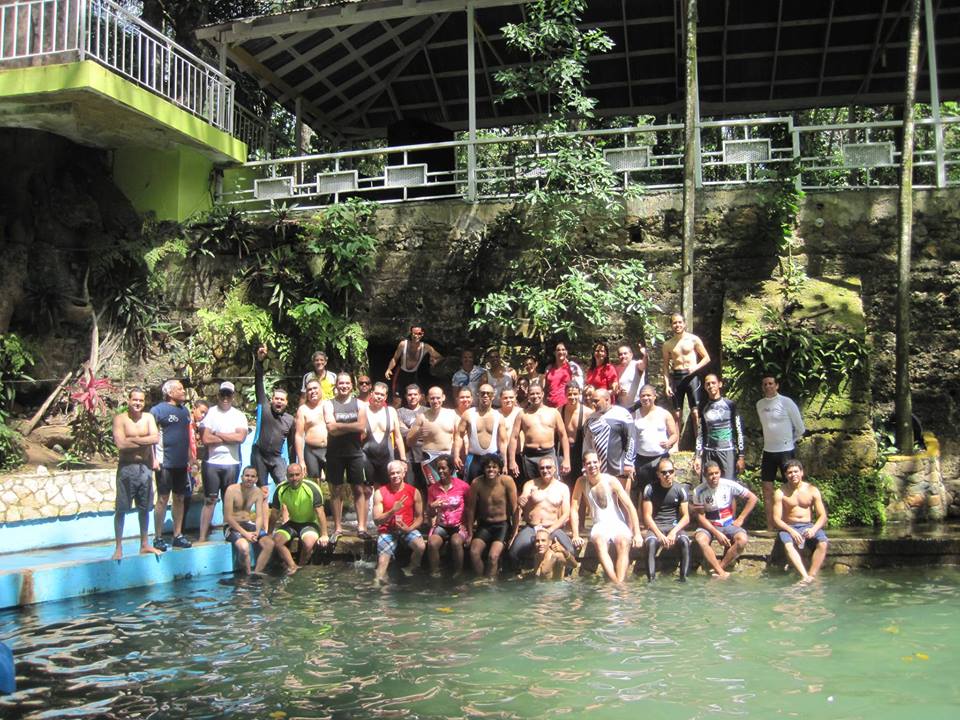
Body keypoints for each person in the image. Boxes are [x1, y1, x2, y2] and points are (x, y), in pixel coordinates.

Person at [571, 452, 644, 584]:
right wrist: (575, 535)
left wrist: (637, 533)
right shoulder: (581, 482)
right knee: (599, 541)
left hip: (617, 522)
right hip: (599, 524)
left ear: (599, 463)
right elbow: (574, 508)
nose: (592, 465)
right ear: (584, 466)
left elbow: (630, 507)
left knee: (623, 542)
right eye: (588, 463)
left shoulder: (611, 480)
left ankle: (620, 583)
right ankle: (616, 581)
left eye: (595, 462)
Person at [112, 388, 161, 559]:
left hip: (145, 468)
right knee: (121, 509)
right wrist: (143, 442)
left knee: (145, 508)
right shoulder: (120, 419)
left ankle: (144, 544)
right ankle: (118, 547)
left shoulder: (148, 418)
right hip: (127, 467)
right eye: (135, 400)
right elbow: (121, 445)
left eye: (141, 400)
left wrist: (132, 439)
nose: (138, 403)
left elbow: (155, 439)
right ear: (128, 400)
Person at [198, 382, 248, 543]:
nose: (225, 398)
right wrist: (229, 437)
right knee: (210, 500)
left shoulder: (239, 415)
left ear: (233, 396)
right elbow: (206, 439)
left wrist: (217, 434)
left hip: (231, 463)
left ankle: (231, 532)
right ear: (218, 395)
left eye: (228, 395)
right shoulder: (211, 413)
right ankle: (202, 537)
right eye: (222, 395)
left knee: (229, 500)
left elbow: (240, 438)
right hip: (212, 463)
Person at [691, 461, 758, 578]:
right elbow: (700, 517)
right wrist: (716, 533)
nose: (714, 477)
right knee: (701, 539)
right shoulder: (699, 491)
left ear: (720, 473)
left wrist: (741, 518)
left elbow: (752, 498)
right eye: (710, 474)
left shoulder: (729, 484)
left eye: (716, 473)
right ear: (705, 475)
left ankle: (719, 569)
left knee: (742, 539)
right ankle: (721, 573)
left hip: (728, 523)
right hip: (710, 524)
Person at [508, 456, 576, 570]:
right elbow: (524, 496)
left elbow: (565, 514)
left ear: (555, 469)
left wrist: (549, 530)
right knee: (513, 552)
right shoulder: (531, 484)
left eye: (548, 467)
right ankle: (517, 577)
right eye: (542, 468)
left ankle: (565, 578)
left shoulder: (563, 488)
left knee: (570, 551)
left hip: (553, 527)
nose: (545, 470)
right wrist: (522, 499)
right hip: (532, 527)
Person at [323, 372, 368, 540]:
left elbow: (361, 426)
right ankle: (338, 527)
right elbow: (331, 430)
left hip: (354, 452)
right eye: (341, 383)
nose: (344, 386)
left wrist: (339, 425)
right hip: (334, 453)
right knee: (336, 489)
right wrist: (351, 426)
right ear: (336, 385)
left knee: (358, 489)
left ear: (352, 385)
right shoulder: (329, 404)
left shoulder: (361, 404)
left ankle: (362, 527)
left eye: (347, 383)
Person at [757, 375, 806, 530]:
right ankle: (770, 525)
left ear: (776, 385)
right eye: (765, 384)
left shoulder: (786, 402)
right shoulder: (759, 404)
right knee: (767, 488)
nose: (768, 386)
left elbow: (800, 428)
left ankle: (789, 523)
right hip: (768, 451)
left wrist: (790, 442)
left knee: (790, 486)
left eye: (771, 383)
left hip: (785, 451)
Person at [150, 379, 194, 551]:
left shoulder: (185, 411)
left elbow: (187, 436)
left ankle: (178, 535)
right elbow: (152, 437)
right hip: (164, 463)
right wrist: (153, 459)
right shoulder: (158, 410)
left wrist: (191, 457)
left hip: (181, 463)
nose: (183, 391)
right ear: (169, 392)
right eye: (180, 389)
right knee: (162, 499)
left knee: (180, 498)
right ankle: (158, 537)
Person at [361, 382, 406, 536]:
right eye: (376, 393)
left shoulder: (391, 411)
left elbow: (398, 437)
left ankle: (388, 524)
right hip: (367, 454)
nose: (379, 397)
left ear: (385, 397)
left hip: (386, 455)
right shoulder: (363, 409)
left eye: (382, 394)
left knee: (388, 489)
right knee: (367, 491)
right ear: (371, 393)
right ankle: (363, 527)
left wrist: (403, 459)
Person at [773, 459, 828, 583]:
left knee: (823, 542)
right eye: (790, 472)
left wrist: (814, 529)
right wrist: (791, 531)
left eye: (796, 471)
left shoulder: (812, 490)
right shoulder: (780, 492)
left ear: (802, 472)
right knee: (788, 545)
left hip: (808, 525)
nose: (793, 475)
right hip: (789, 527)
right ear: (786, 475)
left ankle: (812, 574)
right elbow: (776, 519)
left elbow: (822, 516)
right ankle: (804, 576)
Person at [373, 460, 427, 584]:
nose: (395, 476)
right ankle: (378, 584)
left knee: (421, 546)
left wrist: (409, 528)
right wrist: (392, 511)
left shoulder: (414, 492)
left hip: (407, 529)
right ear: (388, 475)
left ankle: (410, 568)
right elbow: (376, 521)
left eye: (398, 472)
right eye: (392, 473)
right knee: (382, 563)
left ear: (403, 474)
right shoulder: (380, 492)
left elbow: (420, 518)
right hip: (387, 531)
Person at [270, 463, 329, 575]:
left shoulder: (312, 488)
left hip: (310, 523)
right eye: (291, 475)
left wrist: (324, 534)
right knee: (276, 541)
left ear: (303, 475)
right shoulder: (281, 489)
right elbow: (274, 514)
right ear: (287, 476)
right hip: (292, 523)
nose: (294, 478)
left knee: (308, 543)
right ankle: (293, 566)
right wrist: (268, 533)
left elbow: (320, 513)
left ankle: (301, 565)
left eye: (297, 475)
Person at [465, 454, 518, 577]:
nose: (491, 470)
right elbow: (471, 509)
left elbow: (515, 509)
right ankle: (481, 578)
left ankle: (490, 582)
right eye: (488, 467)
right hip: (484, 525)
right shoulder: (477, 483)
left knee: (493, 556)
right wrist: (470, 533)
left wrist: (514, 533)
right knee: (474, 552)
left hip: (502, 525)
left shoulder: (507, 481)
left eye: (494, 467)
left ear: (499, 469)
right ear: (483, 468)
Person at [252, 345, 295, 494]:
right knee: (262, 491)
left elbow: (292, 445)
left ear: (286, 402)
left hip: (276, 458)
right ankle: (262, 518)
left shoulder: (290, 420)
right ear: (271, 400)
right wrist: (259, 362)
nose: (279, 402)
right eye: (276, 398)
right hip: (260, 454)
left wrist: (294, 463)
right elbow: (258, 383)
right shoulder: (264, 407)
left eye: (282, 400)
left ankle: (286, 518)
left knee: (285, 488)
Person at [507, 384, 571, 483]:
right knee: (532, 486)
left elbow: (563, 436)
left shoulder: (553, 413)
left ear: (542, 394)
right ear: (528, 396)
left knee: (552, 485)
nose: (535, 396)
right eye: (532, 394)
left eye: (538, 393)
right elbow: (514, 437)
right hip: (530, 456)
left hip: (548, 453)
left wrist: (566, 459)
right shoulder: (522, 414)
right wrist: (512, 461)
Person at [641, 457, 691, 582]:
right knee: (651, 543)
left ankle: (683, 579)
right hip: (656, 526)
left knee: (685, 541)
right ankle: (651, 581)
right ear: (658, 474)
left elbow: (686, 517)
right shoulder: (650, 489)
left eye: (671, 471)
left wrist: (673, 532)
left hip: (673, 526)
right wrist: (659, 534)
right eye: (664, 472)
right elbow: (647, 516)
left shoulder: (680, 489)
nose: (668, 475)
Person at [661, 312, 711, 434]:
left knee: (695, 412)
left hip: (692, 376)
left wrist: (696, 367)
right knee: (677, 413)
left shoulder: (693, 339)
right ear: (671, 325)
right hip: (677, 377)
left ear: (684, 324)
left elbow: (706, 357)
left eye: (679, 322)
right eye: (674, 323)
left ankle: (698, 445)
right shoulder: (667, 344)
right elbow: (666, 367)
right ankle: (675, 445)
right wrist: (667, 385)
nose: (677, 325)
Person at [222, 466, 275, 574]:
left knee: (269, 543)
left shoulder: (257, 492)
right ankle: (247, 575)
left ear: (256, 479)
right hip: (231, 526)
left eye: (252, 476)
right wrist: (246, 534)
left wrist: (256, 531)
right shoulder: (231, 490)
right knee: (244, 547)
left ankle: (256, 573)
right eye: (247, 476)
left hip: (248, 523)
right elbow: (228, 517)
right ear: (242, 477)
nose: (249, 479)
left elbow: (259, 516)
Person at [582, 388, 636, 493]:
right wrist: (585, 465)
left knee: (622, 501)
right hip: (597, 468)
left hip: (619, 468)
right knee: (601, 499)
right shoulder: (590, 419)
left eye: (596, 401)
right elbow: (587, 444)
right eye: (592, 401)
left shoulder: (622, 415)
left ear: (607, 400)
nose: (593, 404)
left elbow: (631, 439)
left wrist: (629, 462)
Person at [426, 455, 472, 576]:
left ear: (451, 469)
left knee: (456, 542)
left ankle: (458, 572)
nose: (440, 471)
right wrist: (432, 506)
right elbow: (430, 514)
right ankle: (434, 572)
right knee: (432, 543)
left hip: (458, 526)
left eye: (443, 468)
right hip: (441, 526)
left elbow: (470, 508)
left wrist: (468, 527)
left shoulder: (463, 486)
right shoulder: (432, 489)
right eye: (438, 468)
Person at [631, 384, 679, 501]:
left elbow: (674, 434)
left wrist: (669, 443)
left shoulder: (664, 414)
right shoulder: (634, 415)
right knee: (644, 492)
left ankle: (662, 515)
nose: (646, 398)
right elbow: (630, 439)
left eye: (648, 395)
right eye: (643, 396)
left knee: (662, 488)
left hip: (661, 458)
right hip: (641, 460)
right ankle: (642, 517)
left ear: (654, 396)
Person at [694, 374, 745, 480]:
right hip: (709, 451)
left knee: (729, 486)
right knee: (708, 485)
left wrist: (741, 456)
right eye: (708, 384)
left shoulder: (730, 405)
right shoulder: (703, 406)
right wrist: (698, 456)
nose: (711, 386)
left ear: (719, 384)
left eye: (713, 383)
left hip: (727, 451)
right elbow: (700, 433)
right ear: (704, 387)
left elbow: (739, 430)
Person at [453, 383, 507, 483]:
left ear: (493, 396)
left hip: (493, 459)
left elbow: (503, 442)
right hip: (474, 459)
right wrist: (456, 455)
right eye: (482, 393)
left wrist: (505, 464)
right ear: (478, 395)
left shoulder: (498, 416)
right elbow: (459, 436)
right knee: (471, 488)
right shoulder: (469, 414)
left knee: (493, 491)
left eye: (488, 394)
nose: (485, 396)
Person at [406, 386, 458, 485]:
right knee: (435, 488)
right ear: (427, 399)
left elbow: (459, 437)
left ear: (443, 397)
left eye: (438, 398)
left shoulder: (452, 414)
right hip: (430, 458)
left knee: (452, 486)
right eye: (432, 398)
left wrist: (457, 455)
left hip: (447, 456)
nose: (435, 401)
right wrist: (418, 433)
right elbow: (409, 442)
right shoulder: (422, 417)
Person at [385, 325, 442, 404]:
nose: (416, 336)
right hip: (400, 375)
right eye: (414, 333)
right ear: (411, 333)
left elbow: (439, 357)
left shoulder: (426, 347)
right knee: (397, 401)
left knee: (422, 399)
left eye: (419, 334)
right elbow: (395, 358)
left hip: (413, 376)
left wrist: (433, 362)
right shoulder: (403, 344)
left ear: (422, 334)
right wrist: (389, 369)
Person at [295, 378, 328, 505]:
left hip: (329, 449)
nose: (312, 391)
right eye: (309, 389)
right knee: (314, 484)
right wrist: (301, 460)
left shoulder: (328, 405)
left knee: (335, 485)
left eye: (315, 388)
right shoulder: (303, 409)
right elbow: (298, 435)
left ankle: (337, 520)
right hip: (311, 450)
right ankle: (316, 513)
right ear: (306, 393)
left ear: (321, 390)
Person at [560, 382, 592, 489]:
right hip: (563, 451)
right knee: (564, 483)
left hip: (580, 450)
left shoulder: (588, 412)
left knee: (581, 483)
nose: (572, 397)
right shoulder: (559, 411)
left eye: (575, 394)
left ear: (579, 394)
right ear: (565, 394)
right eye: (569, 394)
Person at [397, 384, 426, 489]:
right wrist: (419, 430)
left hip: (425, 456)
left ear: (420, 396)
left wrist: (409, 430)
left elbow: (428, 432)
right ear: (405, 396)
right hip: (408, 456)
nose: (412, 397)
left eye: (415, 394)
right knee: (410, 488)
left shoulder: (427, 411)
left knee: (426, 487)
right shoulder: (399, 412)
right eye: (409, 395)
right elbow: (401, 432)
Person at [544, 341, 583, 408]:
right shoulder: (549, 368)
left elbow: (579, 387)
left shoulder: (573, 367)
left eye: (563, 350)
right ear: (554, 353)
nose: (561, 352)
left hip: (565, 406)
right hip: (550, 406)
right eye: (558, 350)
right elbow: (545, 388)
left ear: (566, 352)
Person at [614, 343, 647, 408]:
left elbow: (643, 365)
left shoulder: (636, 364)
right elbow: (615, 387)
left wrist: (645, 355)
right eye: (620, 354)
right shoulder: (616, 369)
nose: (623, 356)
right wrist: (618, 391)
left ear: (631, 355)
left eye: (625, 353)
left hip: (637, 405)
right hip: (622, 406)